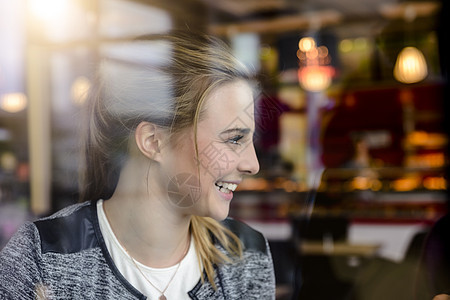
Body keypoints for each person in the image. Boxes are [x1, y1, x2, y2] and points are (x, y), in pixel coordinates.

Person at [0, 30, 276, 299]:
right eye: (234, 139)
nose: (252, 164)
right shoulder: (41, 257)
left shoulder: (246, 256)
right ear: (154, 141)